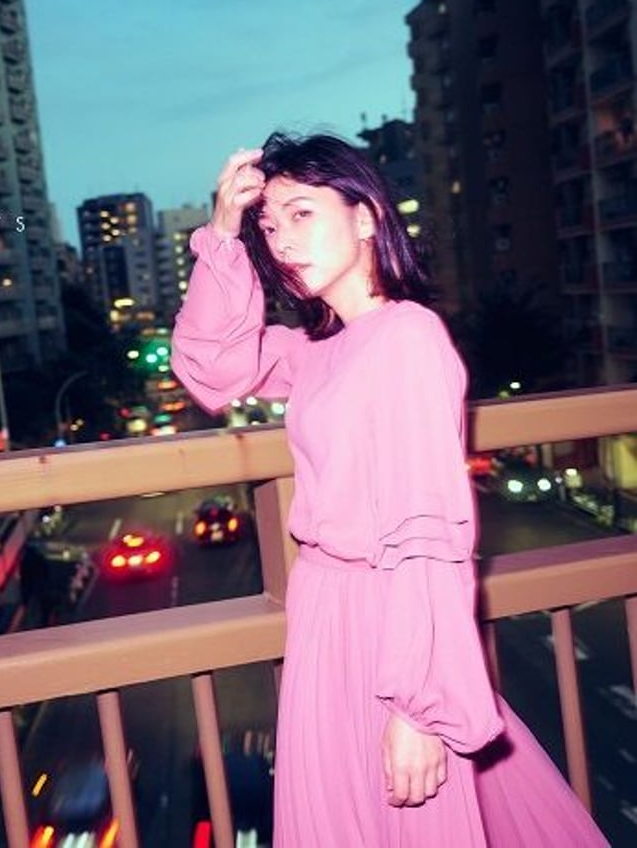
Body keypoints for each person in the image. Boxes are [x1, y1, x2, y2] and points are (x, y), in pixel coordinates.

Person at [171, 132, 609, 847]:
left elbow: (428, 528)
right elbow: (214, 371)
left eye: (303, 213)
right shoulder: (320, 347)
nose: (283, 241)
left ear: (367, 216)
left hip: (383, 624)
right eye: (270, 227)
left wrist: (418, 708)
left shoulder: (406, 338)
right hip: (325, 614)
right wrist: (222, 235)